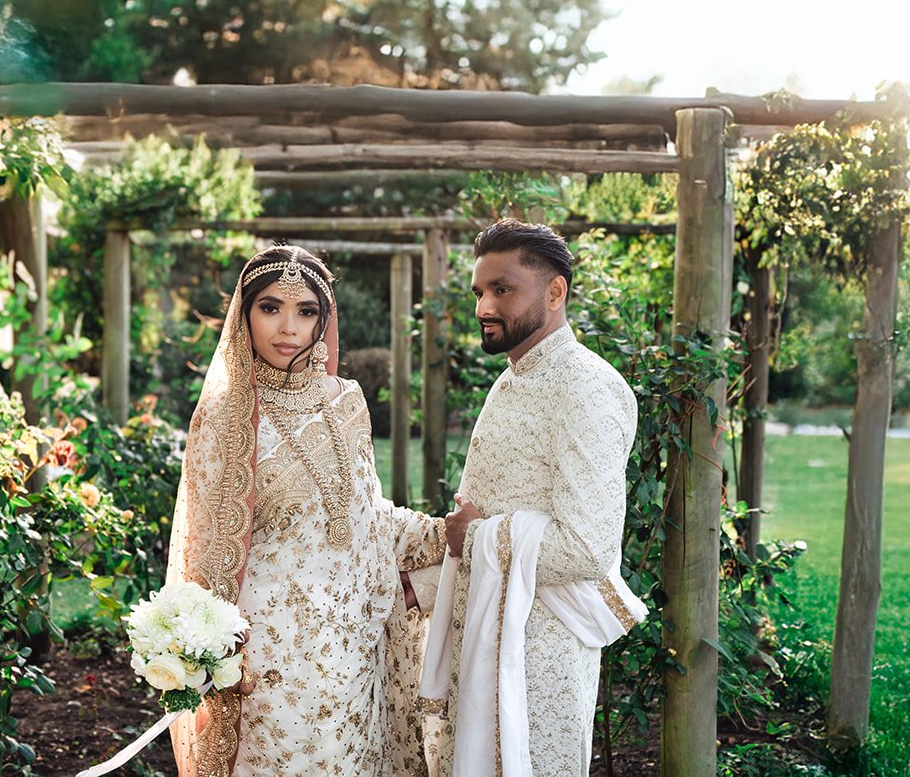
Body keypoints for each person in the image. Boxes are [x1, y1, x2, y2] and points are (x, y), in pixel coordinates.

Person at [166, 245, 447, 777]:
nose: (287, 327)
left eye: (306, 311)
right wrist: (215, 656)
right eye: (270, 308)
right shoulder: (226, 417)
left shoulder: (347, 401)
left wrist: (439, 536)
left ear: (324, 318)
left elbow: (364, 511)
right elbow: (204, 552)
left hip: (354, 643)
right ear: (244, 315)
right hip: (271, 653)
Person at [420, 219, 641, 776]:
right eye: (479, 293)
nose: (484, 308)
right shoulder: (512, 377)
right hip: (486, 635)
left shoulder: (587, 388)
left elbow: (587, 547)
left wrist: (474, 538)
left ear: (555, 292)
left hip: (538, 656)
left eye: (502, 290)